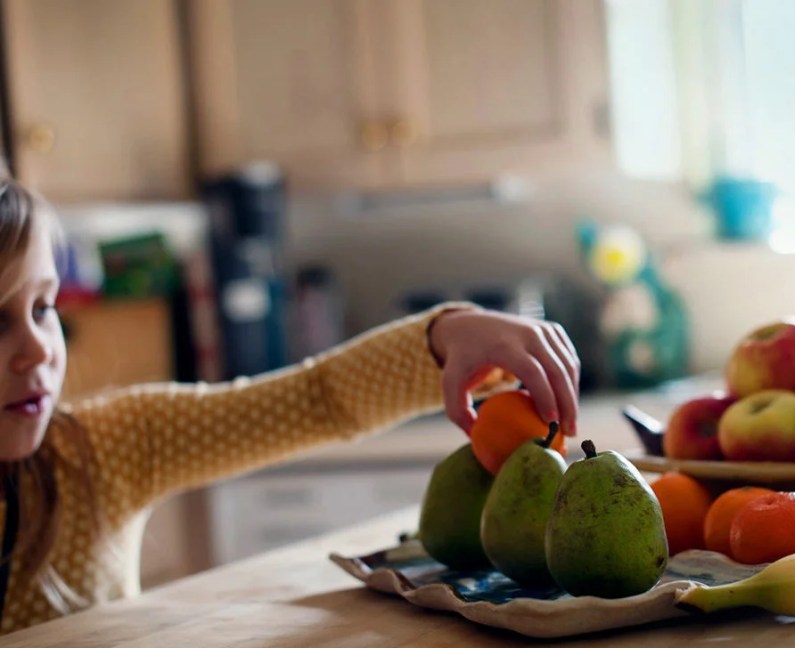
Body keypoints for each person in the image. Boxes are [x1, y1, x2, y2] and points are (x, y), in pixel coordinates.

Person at [0, 177, 581, 635]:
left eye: (44, 308)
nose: (35, 352)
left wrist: (447, 335)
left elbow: (315, 398)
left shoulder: (103, 449)